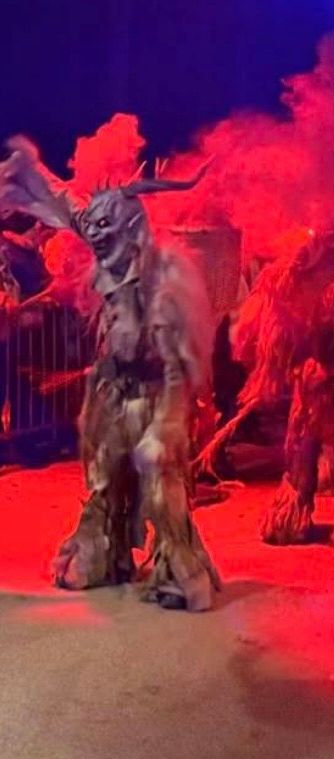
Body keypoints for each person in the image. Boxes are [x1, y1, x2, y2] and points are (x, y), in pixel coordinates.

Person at [0, 137, 220, 611]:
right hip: (112, 390)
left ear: (128, 226)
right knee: (103, 479)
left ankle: (179, 570)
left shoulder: (162, 276)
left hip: (154, 393)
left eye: (105, 226)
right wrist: (31, 169)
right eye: (92, 227)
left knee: (161, 487)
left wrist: (165, 425)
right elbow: (68, 206)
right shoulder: (106, 248)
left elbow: (180, 363)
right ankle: (105, 554)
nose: (94, 234)